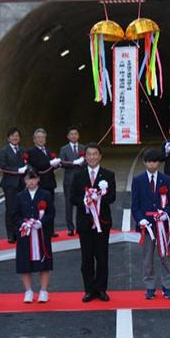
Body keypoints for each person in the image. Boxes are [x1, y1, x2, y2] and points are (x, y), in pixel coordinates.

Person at [69, 143, 116, 302]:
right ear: (85, 157)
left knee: (102, 257)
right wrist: (85, 201)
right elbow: (72, 198)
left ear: (100, 156)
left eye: (95, 154)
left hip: (102, 222)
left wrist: (99, 198)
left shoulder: (108, 175)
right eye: (89, 154)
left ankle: (101, 289)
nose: (92, 157)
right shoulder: (78, 176)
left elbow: (112, 197)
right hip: (84, 222)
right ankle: (89, 289)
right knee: (86, 258)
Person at [131, 149, 170, 300]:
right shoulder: (138, 180)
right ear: (144, 162)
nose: (152, 164)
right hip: (147, 226)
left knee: (165, 256)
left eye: (155, 161)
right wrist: (140, 219)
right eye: (149, 161)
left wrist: (166, 214)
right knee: (147, 257)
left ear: (159, 163)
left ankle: (167, 286)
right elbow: (135, 205)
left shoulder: (167, 179)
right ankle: (149, 286)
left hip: (163, 225)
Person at [13, 168, 55, 303]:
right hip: (25, 234)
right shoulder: (19, 196)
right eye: (28, 179)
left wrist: (41, 223)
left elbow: (51, 213)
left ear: (38, 179)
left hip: (41, 234)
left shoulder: (45, 194)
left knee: (44, 263)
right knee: (25, 263)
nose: (31, 181)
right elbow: (15, 215)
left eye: (33, 178)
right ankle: (28, 290)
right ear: (24, 180)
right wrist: (23, 224)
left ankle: (43, 290)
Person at [27, 128, 61, 237]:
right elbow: (38, 165)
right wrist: (50, 163)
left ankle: (50, 230)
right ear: (34, 139)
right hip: (40, 184)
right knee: (39, 207)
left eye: (43, 137)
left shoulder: (49, 151)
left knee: (50, 208)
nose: (41, 139)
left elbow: (51, 166)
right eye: (38, 137)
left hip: (50, 183)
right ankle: (39, 228)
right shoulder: (31, 152)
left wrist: (56, 164)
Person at [0, 127, 26, 243]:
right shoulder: (4, 151)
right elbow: (3, 166)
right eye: (13, 136)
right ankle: (10, 234)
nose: (15, 138)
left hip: (22, 183)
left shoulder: (22, 150)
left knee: (21, 209)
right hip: (9, 184)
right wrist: (18, 170)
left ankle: (20, 231)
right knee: (10, 210)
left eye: (17, 136)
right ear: (8, 138)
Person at [59, 127, 86, 236]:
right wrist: (74, 163)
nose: (74, 136)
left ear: (78, 136)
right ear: (68, 136)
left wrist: (82, 163)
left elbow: (88, 161)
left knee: (82, 203)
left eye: (75, 134)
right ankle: (70, 228)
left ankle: (81, 226)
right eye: (71, 134)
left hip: (81, 179)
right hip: (69, 180)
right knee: (69, 204)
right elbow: (61, 163)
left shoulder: (83, 148)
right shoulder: (64, 149)